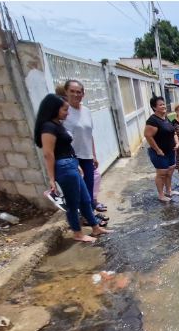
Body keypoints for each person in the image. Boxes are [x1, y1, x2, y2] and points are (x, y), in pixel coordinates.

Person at [34, 93, 110, 242]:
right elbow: (48, 154)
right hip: (64, 168)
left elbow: (66, 147)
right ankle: (78, 233)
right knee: (73, 203)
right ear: (54, 109)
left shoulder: (57, 125)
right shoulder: (48, 127)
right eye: (64, 110)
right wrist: (51, 178)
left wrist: (76, 165)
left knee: (85, 199)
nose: (67, 113)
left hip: (71, 165)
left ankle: (96, 228)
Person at [62, 80, 108, 224]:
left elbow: (89, 135)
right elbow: (61, 138)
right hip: (71, 157)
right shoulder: (63, 112)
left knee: (88, 188)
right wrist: (73, 161)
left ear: (83, 94)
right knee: (78, 191)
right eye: (72, 91)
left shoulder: (86, 110)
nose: (76, 94)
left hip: (86, 156)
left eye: (79, 92)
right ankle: (84, 219)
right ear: (66, 92)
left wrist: (93, 155)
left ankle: (90, 215)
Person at [144, 96, 179, 202]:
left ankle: (169, 190)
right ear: (154, 108)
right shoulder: (153, 120)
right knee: (161, 174)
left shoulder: (165, 118)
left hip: (170, 151)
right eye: (160, 105)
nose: (164, 106)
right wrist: (158, 150)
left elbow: (173, 132)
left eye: (164, 104)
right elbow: (148, 136)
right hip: (160, 153)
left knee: (170, 172)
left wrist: (177, 142)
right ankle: (161, 195)